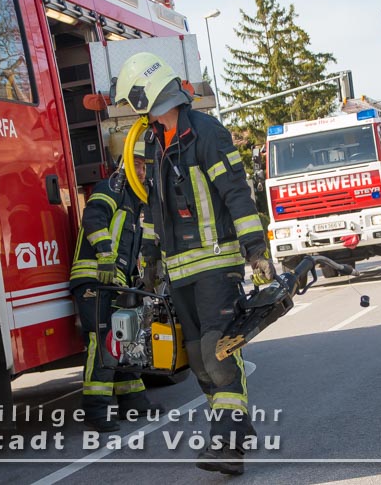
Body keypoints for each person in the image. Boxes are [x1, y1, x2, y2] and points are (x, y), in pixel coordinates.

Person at [113, 53, 276, 475]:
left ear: (145, 95)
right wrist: (151, 260)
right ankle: (235, 431)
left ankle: (227, 445)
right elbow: (153, 208)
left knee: (217, 353)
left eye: (133, 101)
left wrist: (255, 250)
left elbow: (236, 193)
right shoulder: (153, 142)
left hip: (216, 264)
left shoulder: (206, 133)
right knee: (199, 361)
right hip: (180, 270)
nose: (134, 111)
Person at [69, 143, 160, 432]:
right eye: (136, 164)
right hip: (95, 278)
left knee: (127, 338)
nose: (141, 171)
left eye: (144, 166)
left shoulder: (136, 202)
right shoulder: (111, 187)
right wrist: (106, 255)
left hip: (117, 283)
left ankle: (133, 402)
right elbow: (94, 218)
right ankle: (95, 410)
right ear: (123, 165)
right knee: (104, 340)